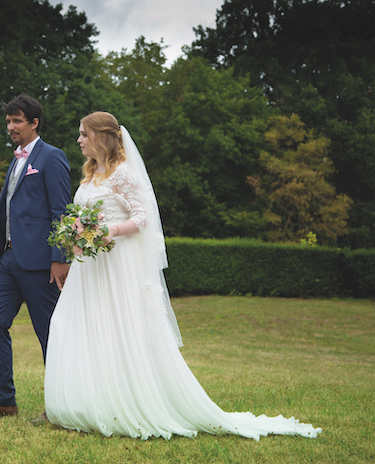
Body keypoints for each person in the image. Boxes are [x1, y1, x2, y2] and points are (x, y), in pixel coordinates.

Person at [43, 111, 322, 440]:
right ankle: (87, 401)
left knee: (120, 327)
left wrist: (109, 230)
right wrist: (76, 237)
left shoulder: (123, 174)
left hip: (117, 265)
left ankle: (125, 402)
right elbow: (82, 217)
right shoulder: (89, 176)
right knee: (79, 325)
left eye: (83, 134)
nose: (79, 140)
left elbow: (142, 218)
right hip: (90, 267)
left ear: (102, 137)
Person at [0, 94, 71, 419]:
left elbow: (61, 211)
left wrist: (59, 257)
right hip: (8, 260)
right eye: (8, 121)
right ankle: (4, 400)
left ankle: (59, 406)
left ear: (34, 123)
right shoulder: (16, 159)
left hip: (41, 263)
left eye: (17, 121)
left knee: (49, 334)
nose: (10, 126)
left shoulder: (51, 157)